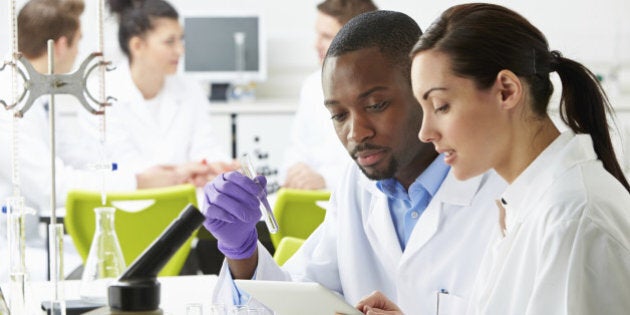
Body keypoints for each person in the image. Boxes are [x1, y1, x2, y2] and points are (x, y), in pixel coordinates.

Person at [202, 11, 507, 314]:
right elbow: (296, 301)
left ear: (423, 91)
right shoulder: (358, 185)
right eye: (338, 115)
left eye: (376, 105)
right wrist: (242, 251)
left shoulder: (502, 191)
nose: (356, 133)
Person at [358, 3, 630, 314]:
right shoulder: (524, 206)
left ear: (506, 91)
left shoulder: (572, 219)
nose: (425, 132)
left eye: (441, 106)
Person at [0, 0, 179, 282]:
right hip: (14, 251)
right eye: (78, 43)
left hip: (37, 239)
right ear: (60, 45)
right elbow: (51, 187)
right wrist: (138, 182)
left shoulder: (39, 93)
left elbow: (75, 155)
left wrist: (146, 172)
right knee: (115, 270)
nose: (79, 53)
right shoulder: (9, 102)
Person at [74, 0, 236, 188]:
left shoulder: (190, 88)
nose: (180, 50)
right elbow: (119, 166)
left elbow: (205, 145)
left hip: (186, 203)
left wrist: (217, 166)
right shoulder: (100, 92)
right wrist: (181, 173)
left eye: (181, 40)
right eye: (170, 42)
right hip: (127, 206)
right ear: (137, 46)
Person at [280, 0, 377, 191]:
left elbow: (377, 165)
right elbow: (296, 150)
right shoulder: (312, 86)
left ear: (355, 41)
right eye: (318, 34)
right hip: (308, 198)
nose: (316, 44)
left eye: (326, 36)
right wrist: (295, 169)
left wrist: (325, 179)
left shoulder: (379, 91)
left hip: (354, 196)